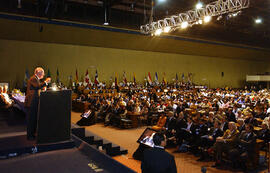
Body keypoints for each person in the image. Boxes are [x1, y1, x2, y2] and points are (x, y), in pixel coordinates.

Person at [24, 67, 51, 140]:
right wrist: (45, 82)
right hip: (32, 102)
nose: (43, 75)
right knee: (31, 120)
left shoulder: (36, 79)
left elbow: (36, 88)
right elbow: (37, 86)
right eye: (43, 73)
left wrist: (42, 88)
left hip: (34, 102)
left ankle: (32, 134)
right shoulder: (33, 78)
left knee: (33, 119)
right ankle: (30, 136)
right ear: (38, 73)